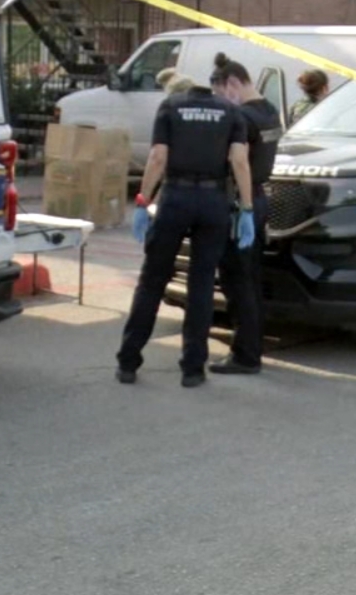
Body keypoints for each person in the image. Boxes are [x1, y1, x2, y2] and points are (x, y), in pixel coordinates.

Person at [117, 74, 255, 388]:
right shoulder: (231, 111)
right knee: (202, 285)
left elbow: (157, 157)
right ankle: (193, 369)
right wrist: (246, 207)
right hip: (213, 201)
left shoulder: (171, 106)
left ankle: (128, 361)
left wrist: (143, 201)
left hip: (176, 197)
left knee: (152, 280)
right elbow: (239, 161)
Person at [207, 53, 281, 376]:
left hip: (240, 203)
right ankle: (252, 346)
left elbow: (237, 163)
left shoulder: (241, 119)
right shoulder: (270, 112)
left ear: (233, 84)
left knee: (237, 280)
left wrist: (244, 207)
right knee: (250, 277)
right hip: (259, 198)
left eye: (222, 94)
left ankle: (246, 355)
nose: (223, 102)